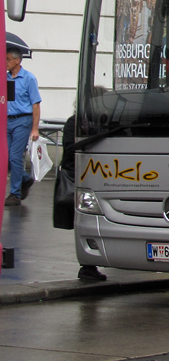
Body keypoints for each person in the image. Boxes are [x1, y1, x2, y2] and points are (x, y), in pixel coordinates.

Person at [56, 114, 106, 281]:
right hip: (80, 174)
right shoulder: (74, 122)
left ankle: (90, 264)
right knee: (85, 218)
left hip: (99, 173)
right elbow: (71, 149)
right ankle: (87, 266)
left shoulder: (103, 121)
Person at [6, 46, 41, 207]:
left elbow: (35, 105)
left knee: (14, 156)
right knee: (5, 157)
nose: (5, 62)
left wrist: (35, 128)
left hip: (22, 120)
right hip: (7, 120)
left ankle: (15, 193)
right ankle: (25, 179)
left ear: (17, 61)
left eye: (8, 59)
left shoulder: (28, 78)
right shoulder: (5, 78)